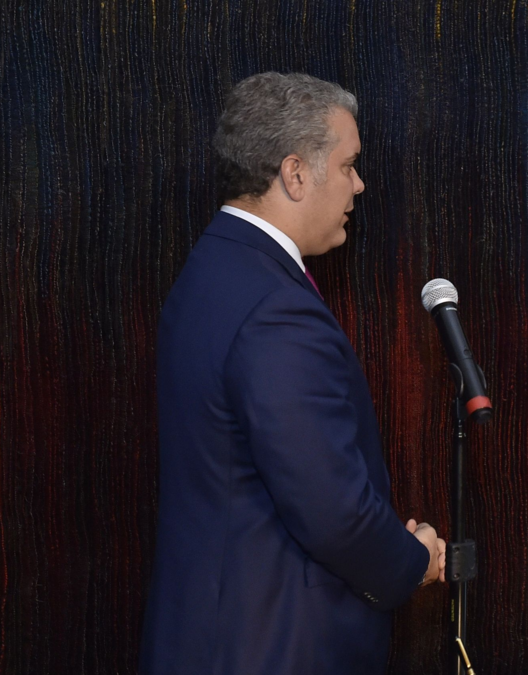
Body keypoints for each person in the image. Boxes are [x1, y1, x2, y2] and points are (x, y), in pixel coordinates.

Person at [140, 72, 446, 675]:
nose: (359, 185)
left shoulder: (212, 267)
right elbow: (332, 512)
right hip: (270, 647)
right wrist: (412, 561)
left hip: (211, 634)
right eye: (349, 165)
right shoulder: (275, 308)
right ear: (296, 173)